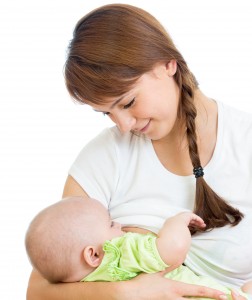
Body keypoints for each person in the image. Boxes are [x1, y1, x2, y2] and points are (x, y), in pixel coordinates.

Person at [26, 3, 252, 300]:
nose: (122, 125)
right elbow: (39, 290)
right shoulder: (103, 159)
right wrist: (126, 292)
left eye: (128, 102)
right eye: (105, 112)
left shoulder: (244, 142)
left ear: (167, 64)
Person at [25, 196, 251, 300]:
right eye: (111, 223)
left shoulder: (81, 288)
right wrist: (177, 222)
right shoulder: (119, 253)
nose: (120, 225)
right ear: (93, 255)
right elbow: (172, 250)